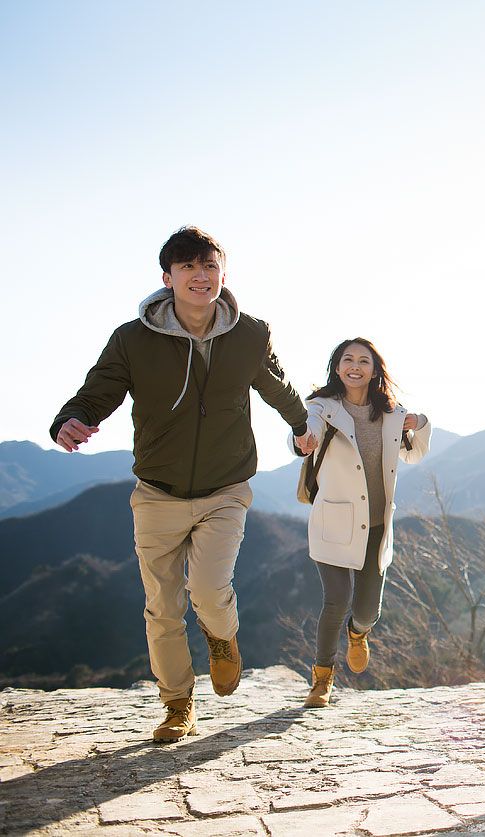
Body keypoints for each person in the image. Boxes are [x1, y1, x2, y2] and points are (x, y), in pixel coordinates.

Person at [50, 226, 315, 741]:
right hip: (157, 492)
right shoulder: (132, 338)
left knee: (211, 590)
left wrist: (302, 426)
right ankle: (177, 704)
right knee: (162, 606)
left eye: (209, 266)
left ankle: (222, 638)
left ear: (223, 274)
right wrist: (71, 418)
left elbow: (275, 383)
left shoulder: (250, 333)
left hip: (225, 488)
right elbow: (98, 389)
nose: (201, 276)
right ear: (167, 278)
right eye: (189, 267)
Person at [292, 338, 431, 708]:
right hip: (334, 521)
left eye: (364, 360)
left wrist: (421, 424)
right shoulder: (322, 408)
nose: (355, 366)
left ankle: (358, 633)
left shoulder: (391, 413)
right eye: (347, 359)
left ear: (374, 369)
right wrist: (304, 440)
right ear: (337, 368)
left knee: (368, 610)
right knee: (336, 600)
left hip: (377, 525)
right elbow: (307, 433)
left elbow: (414, 454)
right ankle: (322, 679)